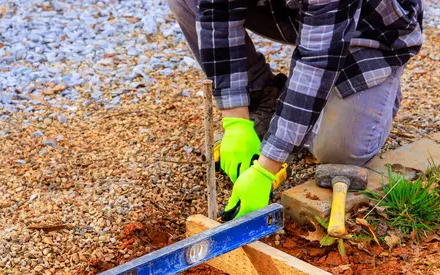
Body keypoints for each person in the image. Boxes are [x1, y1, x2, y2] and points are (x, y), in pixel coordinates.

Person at [169, 0, 424, 219]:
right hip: (295, 14)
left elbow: (316, 59)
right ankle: (265, 94)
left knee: (340, 149)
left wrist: (265, 168)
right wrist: (236, 121)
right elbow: (217, 12)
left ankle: (375, 91)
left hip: (371, 28)